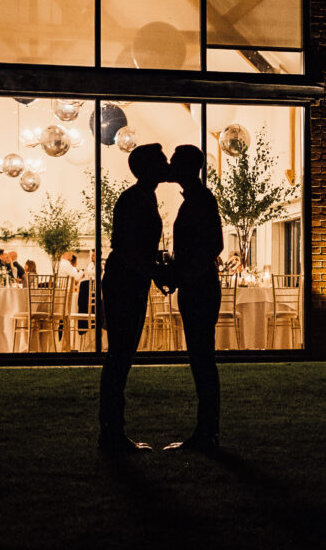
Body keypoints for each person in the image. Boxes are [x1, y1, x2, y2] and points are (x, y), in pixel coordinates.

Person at [97, 142, 168, 453]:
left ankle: (112, 431)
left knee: (121, 356)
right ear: (149, 167)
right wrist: (157, 272)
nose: (166, 165)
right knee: (119, 357)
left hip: (131, 281)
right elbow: (126, 248)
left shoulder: (144, 196)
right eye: (162, 160)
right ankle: (112, 433)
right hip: (124, 283)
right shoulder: (134, 199)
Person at [164, 144, 223, 453]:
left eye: (174, 161)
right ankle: (206, 430)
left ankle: (207, 432)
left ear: (187, 166)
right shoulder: (197, 199)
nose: (170, 167)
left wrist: (182, 273)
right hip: (196, 285)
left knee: (202, 359)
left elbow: (213, 245)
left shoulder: (200, 200)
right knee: (201, 358)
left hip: (199, 288)